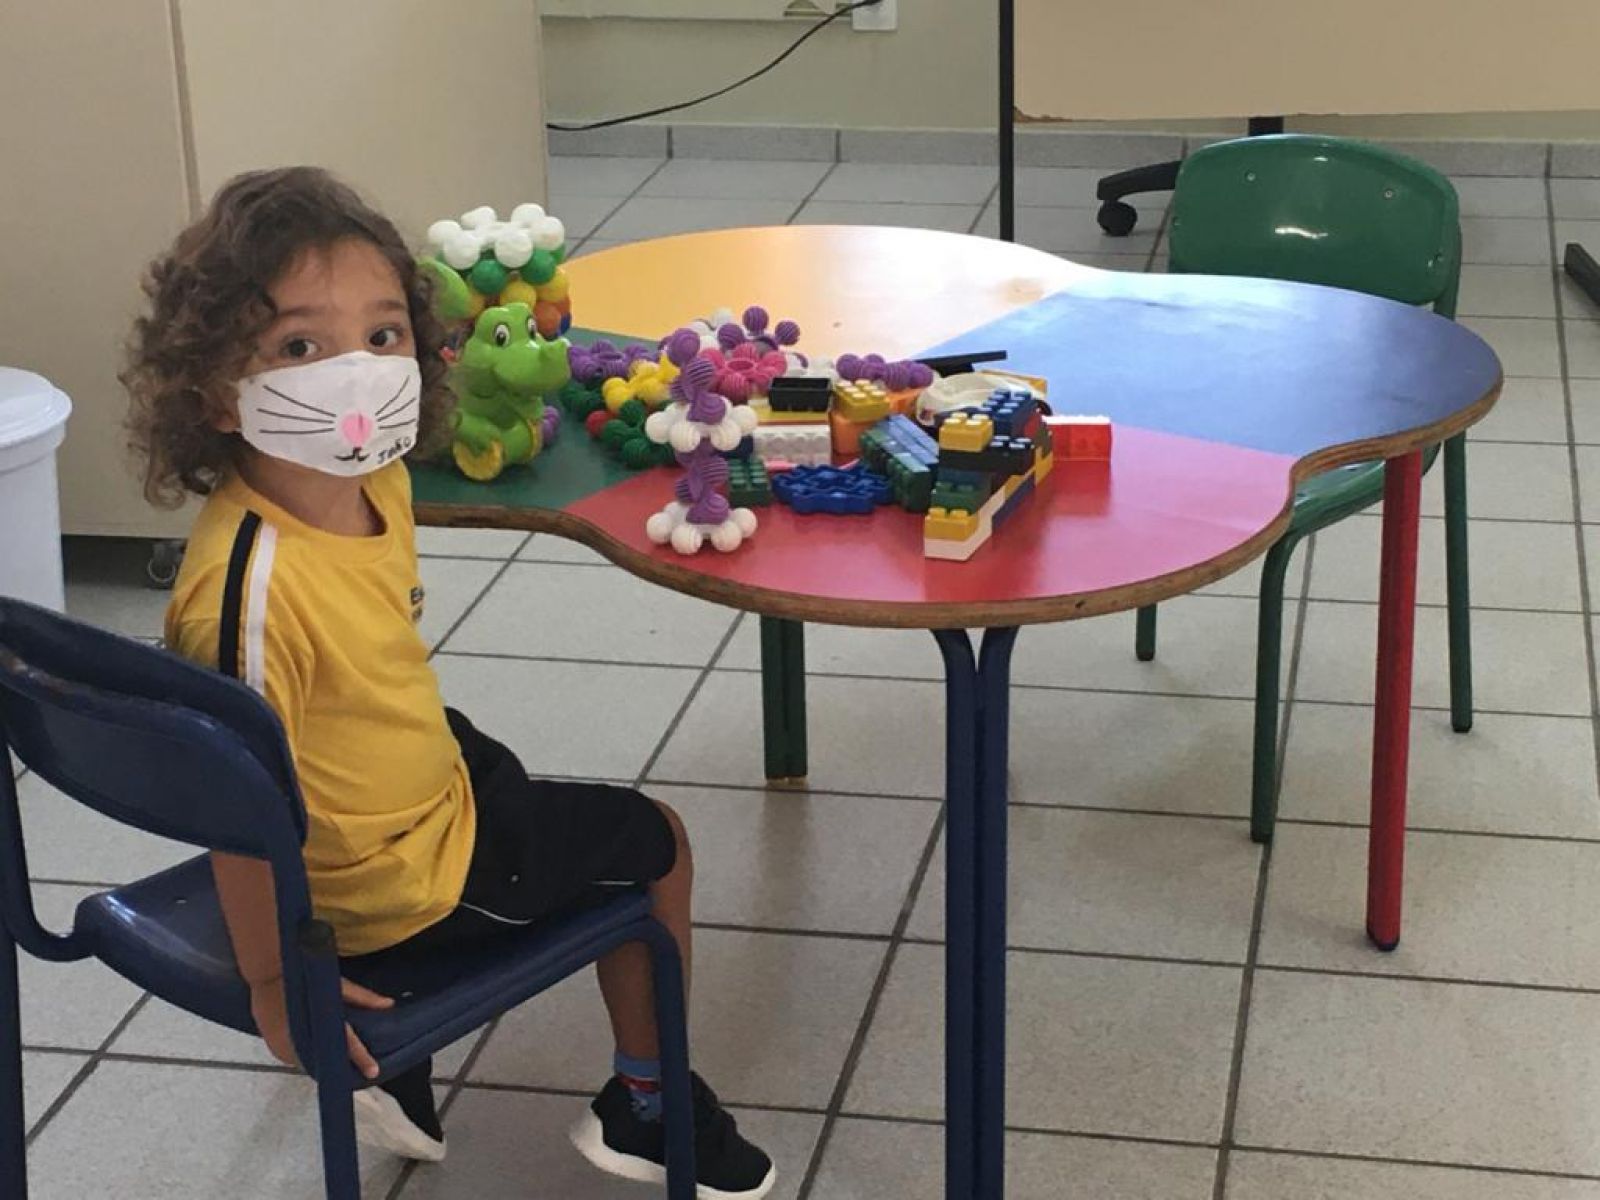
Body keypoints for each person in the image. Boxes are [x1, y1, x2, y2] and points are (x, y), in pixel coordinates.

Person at [122, 165, 773, 1199]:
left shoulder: (361, 471)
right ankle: (649, 1107)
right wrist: (276, 980)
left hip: (396, 780)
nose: (359, 375)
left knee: (474, 742)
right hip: (383, 881)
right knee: (656, 843)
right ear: (212, 392)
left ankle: (407, 1073)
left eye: (383, 335)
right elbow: (235, 812)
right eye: (300, 348)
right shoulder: (248, 602)